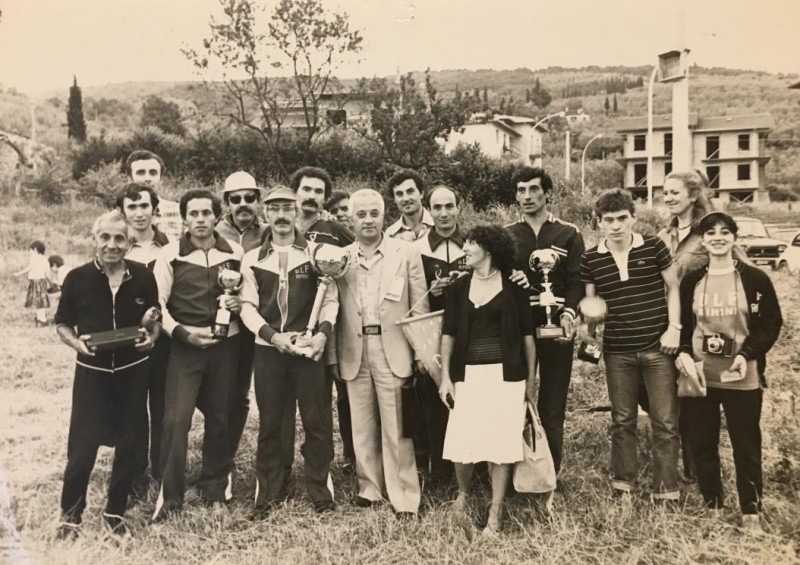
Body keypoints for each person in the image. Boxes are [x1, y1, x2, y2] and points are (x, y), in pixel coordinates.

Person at [53, 210, 160, 539]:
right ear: (94, 239)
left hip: (132, 372)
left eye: (119, 239)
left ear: (129, 243)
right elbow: (62, 324)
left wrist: (152, 336)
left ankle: (115, 514)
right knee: (82, 449)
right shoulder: (76, 277)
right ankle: (70, 518)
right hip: (92, 373)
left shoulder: (143, 276)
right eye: (105, 237)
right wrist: (76, 344)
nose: (111, 245)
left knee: (129, 446)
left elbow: (153, 318)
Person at [677, 212, 782, 532]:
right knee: (702, 442)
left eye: (725, 232)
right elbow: (682, 325)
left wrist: (747, 354)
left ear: (734, 238)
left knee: (746, 443)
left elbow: (770, 324)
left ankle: (751, 511)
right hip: (701, 376)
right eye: (711, 233)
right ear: (703, 239)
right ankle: (713, 506)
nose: (718, 237)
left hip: (742, 377)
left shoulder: (754, 279)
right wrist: (682, 353)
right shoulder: (692, 280)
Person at [331, 188, 429, 518]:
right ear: (351, 219)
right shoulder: (341, 258)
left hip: (395, 349)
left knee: (397, 426)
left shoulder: (406, 252)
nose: (368, 220)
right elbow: (333, 312)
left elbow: (419, 306)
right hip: (354, 350)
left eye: (374, 213)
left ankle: (404, 494)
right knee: (361, 424)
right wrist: (332, 355)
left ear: (383, 215)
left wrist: (419, 353)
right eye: (361, 214)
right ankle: (369, 487)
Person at [240, 185, 338, 514]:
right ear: (265, 214)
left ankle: (320, 491)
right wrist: (272, 336)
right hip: (269, 350)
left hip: (308, 349)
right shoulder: (252, 259)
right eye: (274, 209)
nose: (281, 215)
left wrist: (321, 336)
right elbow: (247, 308)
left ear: (297, 212)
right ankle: (268, 492)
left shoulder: (317, 254)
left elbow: (331, 301)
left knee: (316, 421)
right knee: (270, 423)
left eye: (287, 208)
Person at [579, 189, 680, 503]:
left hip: (657, 348)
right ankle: (624, 487)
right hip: (618, 352)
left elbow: (673, 288)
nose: (616, 226)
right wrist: (588, 340)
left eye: (622, 218)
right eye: (608, 220)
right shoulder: (590, 258)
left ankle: (666, 491)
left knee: (665, 421)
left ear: (633, 218)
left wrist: (674, 329)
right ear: (599, 223)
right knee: (623, 421)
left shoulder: (654, 246)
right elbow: (591, 305)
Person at [151, 189, 244, 522]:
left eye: (207, 213)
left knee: (220, 417)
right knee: (177, 420)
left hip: (225, 345)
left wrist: (236, 305)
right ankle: (171, 496)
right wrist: (183, 334)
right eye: (194, 214)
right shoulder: (170, 254)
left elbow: (245, 298)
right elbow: (157, 305)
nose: (201, 220)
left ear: (217, 216)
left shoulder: (234, 251)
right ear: (185, 218)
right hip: (185, 346)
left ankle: (214, 487)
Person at [438, 225, 537, 535]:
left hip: (506, 378)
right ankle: (463, 495)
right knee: (462, 441)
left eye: (471, 244)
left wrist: (531, 382)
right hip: (467, 377)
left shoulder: (514, 287)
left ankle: (495, 511)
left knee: (501, 444)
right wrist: (445, 378)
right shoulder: (458, 288)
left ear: (490, 250)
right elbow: (448, 334)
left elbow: (528, 338)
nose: (465, 249)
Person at [506, 167, 585, 477]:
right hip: (518, 329)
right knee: (516, 401)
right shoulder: (507, 234)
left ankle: (550, 473)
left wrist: (569, 313)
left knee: (553, 405)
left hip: (557, 328)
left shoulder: (568, 232)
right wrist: (514, 280)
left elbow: (578, 280)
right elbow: (497, 279)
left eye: (533, 190)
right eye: (521, 190)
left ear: (546, 193)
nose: (527, 196)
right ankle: (519, 472)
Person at [283, 167, 356, 476]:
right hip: (289, 328)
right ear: (295, 192)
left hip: (330, 323)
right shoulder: (280, 227)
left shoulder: (333, 229)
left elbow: (355, 260)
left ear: (325, 198)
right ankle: (281, 464)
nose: (311, 196)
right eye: (306, 189)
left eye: (318, 191)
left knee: (336, 391)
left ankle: (349, 456)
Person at [657, 169, 715, 483]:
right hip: (665, 323)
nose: (668, 198)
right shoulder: (663, 236)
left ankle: (698, 466)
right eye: (665, 193)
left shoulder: (709, 232)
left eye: (675, 192)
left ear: (692, 196)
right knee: (666, 392)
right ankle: (676, 457)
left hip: (698, 323)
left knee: (694, 394)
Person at [411, 185, 469, 487]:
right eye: (437, 208)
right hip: (432, 334)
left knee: (468, 400)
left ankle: (475, 468)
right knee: (435, 403)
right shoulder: (417, 248)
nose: (444, 213)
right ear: (428, 211)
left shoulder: (472, 244)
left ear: (459, 207)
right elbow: (412, 299)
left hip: (468, 334)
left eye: (449, 206)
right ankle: (438, 470)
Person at [116, 182, 172, 490]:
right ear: (123, 211)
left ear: (154, 209)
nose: (139, 213)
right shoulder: (116, 247)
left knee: (163, 406)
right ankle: (135, 474)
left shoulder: (171, 246)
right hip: (131, 341)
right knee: (133, 407)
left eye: (144, 206)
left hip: (165, 340)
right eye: (132, 206)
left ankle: (163, 471)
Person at [215, 171, 268, 466]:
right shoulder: (214, 232)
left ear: (258, 200)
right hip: (228, 325)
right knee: (227, 393)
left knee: (253, 394)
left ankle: (246, 457)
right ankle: (221, 456)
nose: (243, 204)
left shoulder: (270, 233)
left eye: (250, 197)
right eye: (236, 199)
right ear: (227, 203)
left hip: (260, 325)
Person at [125, 150, 183, 241]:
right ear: (129, 180)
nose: (148, 178)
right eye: (140, 173)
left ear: (161, 180)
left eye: (153, 173)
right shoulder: (119, 216)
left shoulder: (180, 212)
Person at [385, 169, 434, 242]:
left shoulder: (438, 224)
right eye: (399, 194)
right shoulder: (390, 235)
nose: (405, 198)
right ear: (394, 199)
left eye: (410, 191)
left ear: (421, 193)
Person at [13, 240, 51, 326]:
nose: (29, 252)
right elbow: (47, 273)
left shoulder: (34, 258)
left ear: (35, 250)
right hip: (41, 281)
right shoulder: (45, 259)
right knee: (40, 302)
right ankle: (40, 318)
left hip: (36, 282)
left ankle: (42, 319)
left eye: (30, 250)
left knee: (39, 302)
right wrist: (51, 283)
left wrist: (18, 274)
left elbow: (30, 268)